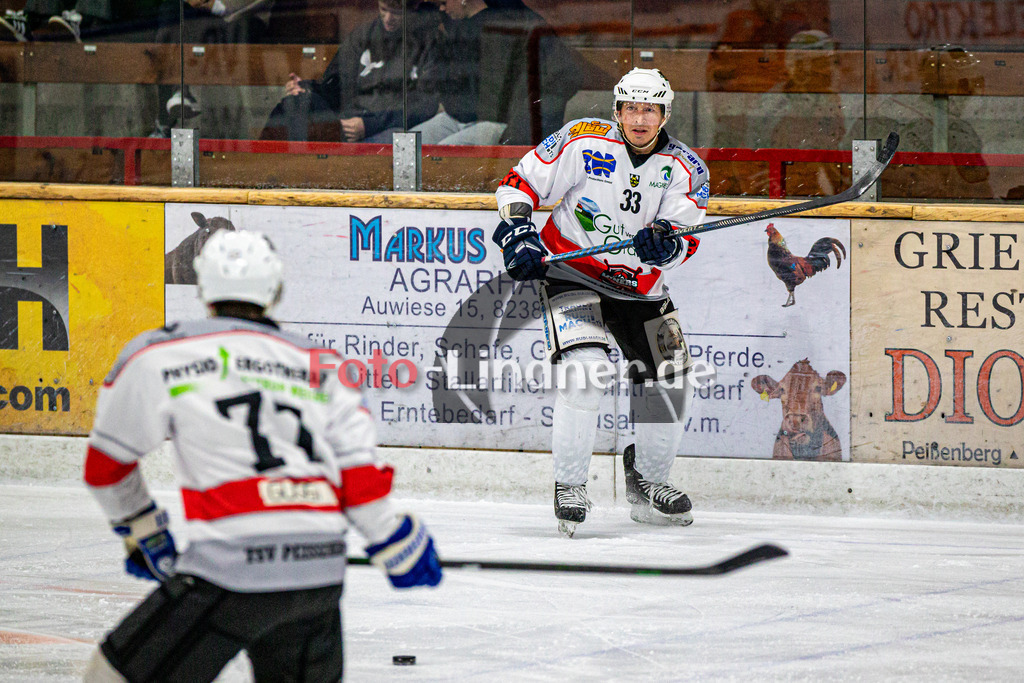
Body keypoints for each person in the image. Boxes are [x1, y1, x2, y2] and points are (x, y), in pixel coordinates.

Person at [81, 230, 442, 681]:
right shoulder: (321, 362)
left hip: (230, 570)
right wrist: (396, 542)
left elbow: (106, 467)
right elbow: (359, 477)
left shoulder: (158, 353)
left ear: (203, 289)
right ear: (275, 290)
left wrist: (144, 529)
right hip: (318, 574)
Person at [493, 68, 709, 537]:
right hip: (573, 272)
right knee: (585, 370)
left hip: (640, 287)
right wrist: (519, 233)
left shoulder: (688, 169)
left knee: (671, 374)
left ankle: (649, 480)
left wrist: (665, 245)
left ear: (664, 114)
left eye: (649, 109)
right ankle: (570, 485)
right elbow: (517, 185)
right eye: (631, 107)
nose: (639, 118)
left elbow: (684, 243)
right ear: (616, 111)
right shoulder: (582, 141)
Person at [260, 0, 443, 143]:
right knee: (296, 103)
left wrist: (368, 125)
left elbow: (424, 105)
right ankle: (258, 167)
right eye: (383, 9)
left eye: (396, 13)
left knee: (390, 140)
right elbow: (335, 86)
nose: (388, 18)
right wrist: (305, 88)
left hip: (386, 125)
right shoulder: (363, 36)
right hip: (345, 122)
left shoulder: (427, 42)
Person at [412, 0, 580, 146]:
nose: (442, 9)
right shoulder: (460, 26)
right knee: (405, 145)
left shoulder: (507, 25)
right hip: (462, 117)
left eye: (444, 3)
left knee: (442, 154)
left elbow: (503, 95)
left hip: (499, 122)